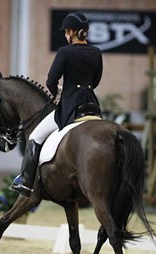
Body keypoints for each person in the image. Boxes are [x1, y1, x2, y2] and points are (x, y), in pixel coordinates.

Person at [11, 12, 103, 197]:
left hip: (69, 106)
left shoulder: (65, 52)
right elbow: (96, 81)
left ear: (71, 32)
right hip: (91, 106)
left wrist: (59, 94)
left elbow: (51, 81)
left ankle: (27, 182)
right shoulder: (96, 52)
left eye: (66, 32)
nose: (65, 35)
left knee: (35, 137)